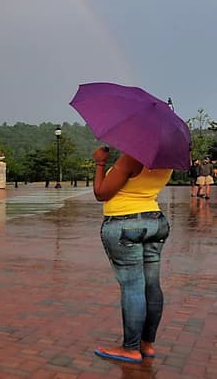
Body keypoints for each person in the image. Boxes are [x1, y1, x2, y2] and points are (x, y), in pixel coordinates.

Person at [92, 145, 172, 364]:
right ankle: (147, 344)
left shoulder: (132, 158)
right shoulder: (166, 159)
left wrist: (100, 163)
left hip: (125, 222)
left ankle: (130, 348)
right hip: (155, 221)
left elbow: (101, 193)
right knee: (152, 285)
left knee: (133, 286)